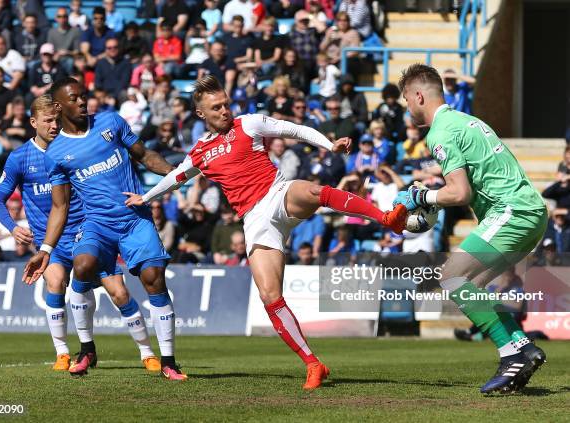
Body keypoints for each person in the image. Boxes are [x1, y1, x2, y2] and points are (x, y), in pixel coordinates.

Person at [123, 75, 407, 390]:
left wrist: (330, 144)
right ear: (201, 114)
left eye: (226, 104)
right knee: (270, 296)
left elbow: (294, 129)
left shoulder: (249, 123)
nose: (224, 111)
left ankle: (386, 218)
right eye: (216, 107)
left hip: (276, 193)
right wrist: (145, 198)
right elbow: (176, 177)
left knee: (314, 191)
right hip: (255, 220)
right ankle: (313, 364)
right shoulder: (201, 151)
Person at [394, 64, 548, 393]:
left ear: (419, 96)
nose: (407, 107)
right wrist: (431, 197)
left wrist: (420, 196)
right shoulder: (466, 120)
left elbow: (459, 193)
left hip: (513, 212)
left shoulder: (440, 131)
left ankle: (511, 356)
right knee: (471, 286)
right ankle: (522, 347)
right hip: (527, 213)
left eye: (407, 100)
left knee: (451, 276)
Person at [21, 79, 186, 380]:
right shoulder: (55, 154)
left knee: (153, 278)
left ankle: (169, 361)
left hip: (134, 218)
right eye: (75, 98)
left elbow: (144, 154)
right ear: (59, 107)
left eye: (84, 96)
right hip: (96, 223)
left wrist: (176, 172)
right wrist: (45, 250)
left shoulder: (110, 122)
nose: (83, 102)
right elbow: (60, 207)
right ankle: (87, 349)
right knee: (82, 266)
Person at [0, 95, 162, 374]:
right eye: (47, 121)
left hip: (88, 231)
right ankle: (63, 353)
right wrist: (13, 227)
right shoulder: (20, 158)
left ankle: (147, 353)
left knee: (119, 292)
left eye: (56, 120)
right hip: (53, 242)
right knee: (56, 281)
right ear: (33, 122)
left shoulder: (73, 149)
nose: (54, 125)